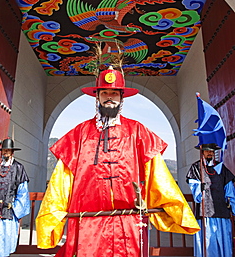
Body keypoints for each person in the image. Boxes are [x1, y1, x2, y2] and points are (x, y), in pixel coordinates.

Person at [36, 66, 200, 257]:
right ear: (97, 96)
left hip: (129, 224)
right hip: (86, 223)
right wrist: (51, 219)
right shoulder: (78, 134)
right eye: (104, 92)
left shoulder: (137, 132)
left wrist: (175, 209)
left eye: (114, 93)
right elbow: (60, 183)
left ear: (122, 97)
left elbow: (158, 176)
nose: (109, 97)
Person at [186, 143, 235, 257]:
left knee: (223, 241)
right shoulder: (196, 168)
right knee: (206, 241)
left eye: (212, 151)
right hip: (205, 212)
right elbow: (195, 190)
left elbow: (230, 191)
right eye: (207, 151)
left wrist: (233, 208)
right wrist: (199, 188)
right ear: (202, 152)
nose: (210, 153)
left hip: (220, 210)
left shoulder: (221, 168)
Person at [0, 138, 30, 257]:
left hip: (8, 211)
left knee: (4, 242)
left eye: (8, 151)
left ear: (12, 152)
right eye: (4, 150)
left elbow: (23, 191)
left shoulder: (19, 168)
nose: (5, 153)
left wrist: (15, 206)